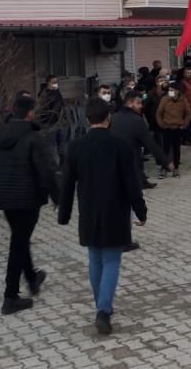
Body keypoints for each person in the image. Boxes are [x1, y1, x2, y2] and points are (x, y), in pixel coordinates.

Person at [58, 98, 148, 336]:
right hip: (115, 210)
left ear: (87, 120)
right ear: (108, 118)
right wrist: (141, 210)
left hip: (88, 210)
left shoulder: (75, 146)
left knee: (95, 259)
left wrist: (64, 213)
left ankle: (102, 306)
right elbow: (132, 182)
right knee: (111, 260)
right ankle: (103, 310)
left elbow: (66, 184)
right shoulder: (120, 145)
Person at [0, 95, 59, 316]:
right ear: (30, 113)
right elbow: (46, 170)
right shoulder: (33, 138)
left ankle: (32, 279)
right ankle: (10, 297)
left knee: (20, 239)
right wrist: (57, 196)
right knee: (18, 243)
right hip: (27, 199)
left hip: (4, 199)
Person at [111, 91, 167, 190]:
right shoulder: (136, 119)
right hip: (130, 148)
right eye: (138, 103)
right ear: (129, 103)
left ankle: (141, 181)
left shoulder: (114, 116)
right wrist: (165, 161)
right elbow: (150, 143)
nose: (141, 106)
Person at [155, 83, 191, 178]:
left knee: (176, 149)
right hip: (167, 128)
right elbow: (159, 113)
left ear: (177, 91)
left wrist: (184, 124)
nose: (169, 91)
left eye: (171, 90)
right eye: (169, 90)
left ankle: (176, 168)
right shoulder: (165, 99)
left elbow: (188, 113)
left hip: (178, 128)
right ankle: (164, 168)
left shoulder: (183, 100)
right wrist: (162, 124)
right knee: (165, 149)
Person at [143, 76, 168, 149]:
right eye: (161, 80)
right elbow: (144, 106)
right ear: (157, 82)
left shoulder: (169, 92)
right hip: (155, 122)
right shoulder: (150, 93)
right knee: (160, 143)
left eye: (164, 80)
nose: (163, 82)